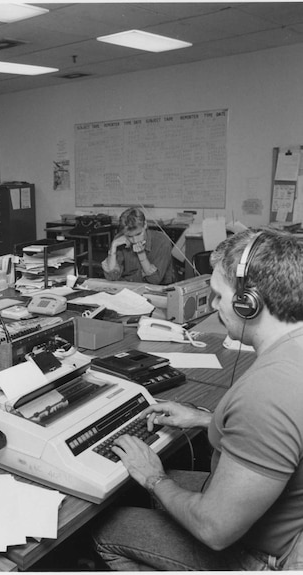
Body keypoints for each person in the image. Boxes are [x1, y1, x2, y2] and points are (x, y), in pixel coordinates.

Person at [92, 228, 303, 571]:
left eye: (219, 296)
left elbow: (214, 529)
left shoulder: (266, 392)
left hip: (260, 553)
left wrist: (154, 478)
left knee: (107, 526)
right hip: (285, 524)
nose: (215, 305)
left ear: (248, 303)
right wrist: (203, 418)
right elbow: (282, 431)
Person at [101, 207, 174, 284]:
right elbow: (113, 276)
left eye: (138, 234)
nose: (135, 240)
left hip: (155, 291)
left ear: (145, 225)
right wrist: (113, 246)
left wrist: (141, 254)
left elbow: (154, 280)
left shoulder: (162, 241)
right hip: (127, 289)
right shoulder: (120, 240)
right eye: (130, 237)